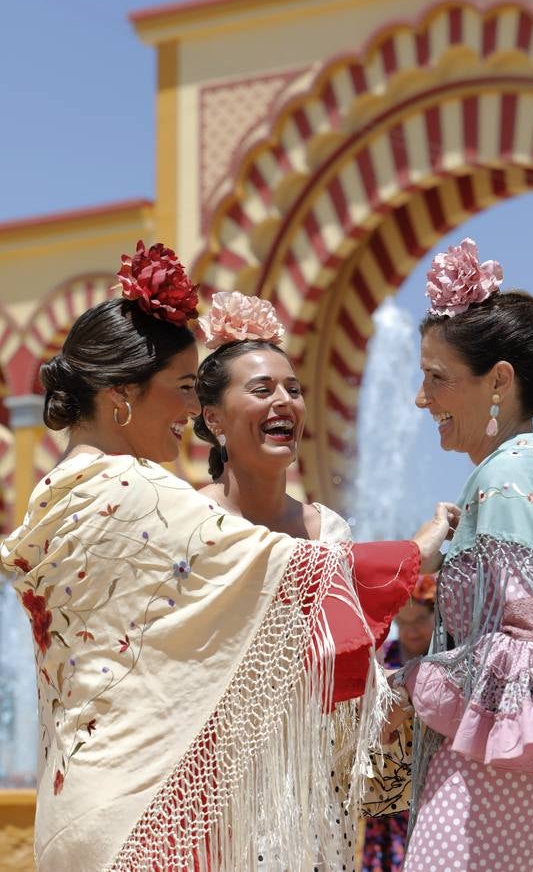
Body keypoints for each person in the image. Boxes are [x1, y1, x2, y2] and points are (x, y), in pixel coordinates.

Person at [0, 243, 452, 872]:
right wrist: (414, 554)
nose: (188, 411)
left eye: (294, 389)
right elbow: (286, 572)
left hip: (80, 798)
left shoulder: (62, 494)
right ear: (122, 394)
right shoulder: (139, 494)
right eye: (185, 389)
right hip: (147, 816)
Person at [399, 238, 533, 872]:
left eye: (437, 378)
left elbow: (528, 652)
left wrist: (406, 685)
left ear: (499, 380)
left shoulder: (507, 478)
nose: (422, 399)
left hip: (494, 788)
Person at [359, 575, 436, 871]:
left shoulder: (438, 657)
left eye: (419, 620)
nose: (412, 630)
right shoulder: (386, 655)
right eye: (404, 622)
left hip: (424, 773)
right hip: (386, 770)